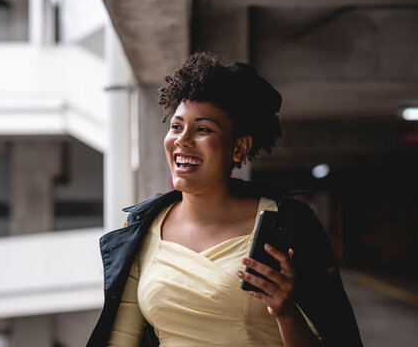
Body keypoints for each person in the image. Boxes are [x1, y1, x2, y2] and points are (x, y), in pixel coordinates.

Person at [87, 52, 362, 346]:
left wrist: (286, 312)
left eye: (203, 129)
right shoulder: (143, 229)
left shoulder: (289, 227)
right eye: (177, 126)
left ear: (239, 147)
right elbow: (121, 339)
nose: (183, 139)